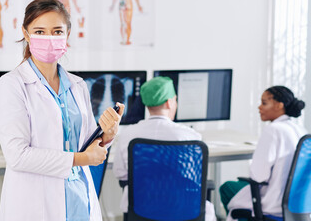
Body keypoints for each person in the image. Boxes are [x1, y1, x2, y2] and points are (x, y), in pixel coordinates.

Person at [0, 0, 125, 221]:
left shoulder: (77, 85)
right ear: (26, 34)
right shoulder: (12, 85)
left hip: (79, 200)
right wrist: (81, 159)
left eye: (56, 31)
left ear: (67, 34)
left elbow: (86, 144)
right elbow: (18, 156)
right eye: (40, 31)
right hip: (36, 206)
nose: (49, 38)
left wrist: (107, 135)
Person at [112, 76, 216, 221]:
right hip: (182, 209)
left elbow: (121, 175)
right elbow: (195, 180)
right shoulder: (191, 136)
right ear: (169, 102)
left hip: (141, 210)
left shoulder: (127, 134)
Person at [220, 86, 307, 220]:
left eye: (264, 103)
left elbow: (258, 176)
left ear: (279, 105)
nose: (259, 107)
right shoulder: (302, 131)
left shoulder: (273, 130)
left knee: (227, 187)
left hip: (274, 204)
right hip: (298, 206)